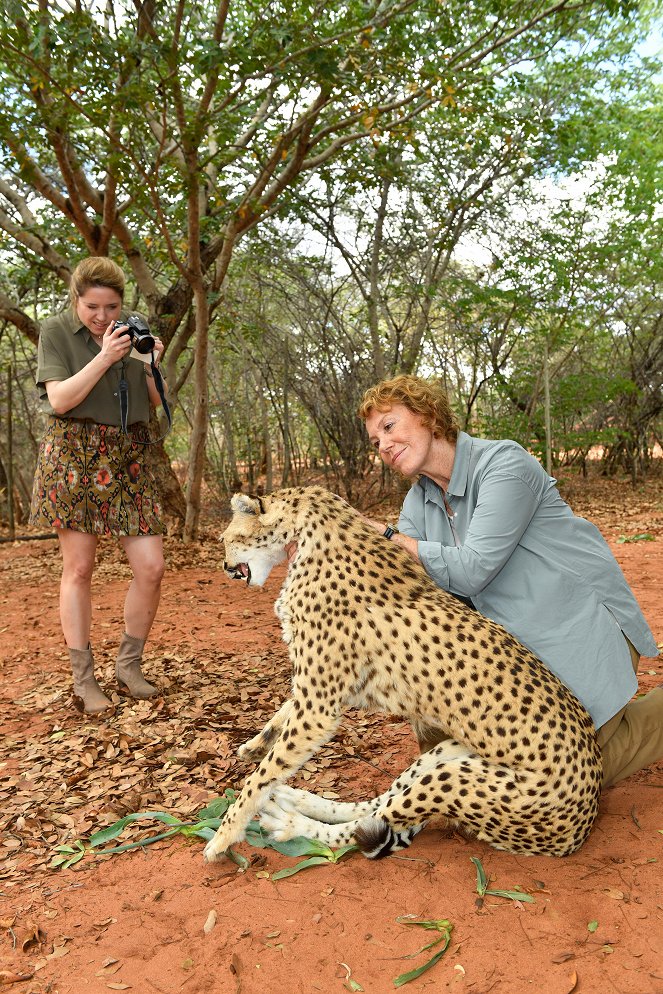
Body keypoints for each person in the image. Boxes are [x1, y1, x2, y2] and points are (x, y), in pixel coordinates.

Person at [358, 373, 662, 789]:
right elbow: (411, 588)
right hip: (518, 651)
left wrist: (387, 536)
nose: (384, 447)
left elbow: (471, 569)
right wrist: (335, 544)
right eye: (375, 442)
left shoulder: (505, 464)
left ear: (428, 415)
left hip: (579, 629)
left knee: (570, 778)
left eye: (389, 427)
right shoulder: (418, 500)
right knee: (502, 777)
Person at [30, 257, 167, 715]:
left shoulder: (134, 328)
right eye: (92, 307)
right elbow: (61, 399)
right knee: (80, 569)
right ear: (76, 299)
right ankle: (83, 678)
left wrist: (150, 365)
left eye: (111, 306)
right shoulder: (55, 331)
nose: (103, 317)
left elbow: (154, 401)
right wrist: (106, 356)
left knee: (151, 566)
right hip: (75, 453)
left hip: (130, 455)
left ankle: (129, 665)